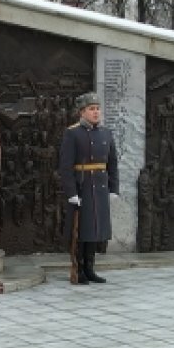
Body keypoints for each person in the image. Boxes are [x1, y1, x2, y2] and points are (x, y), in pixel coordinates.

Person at [58, 91, 119, 284]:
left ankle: (90, 268)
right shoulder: (73, 133)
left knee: (95, 230)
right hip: (82, 187)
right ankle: (80, 269)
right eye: (91, 109)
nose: (96, 112)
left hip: (100, 187)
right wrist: (71, 193)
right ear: (82, 112)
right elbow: (65, 166)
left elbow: (112, 163)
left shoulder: (106, 133)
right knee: (81, 231)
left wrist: (113, 189)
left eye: (97, 109)